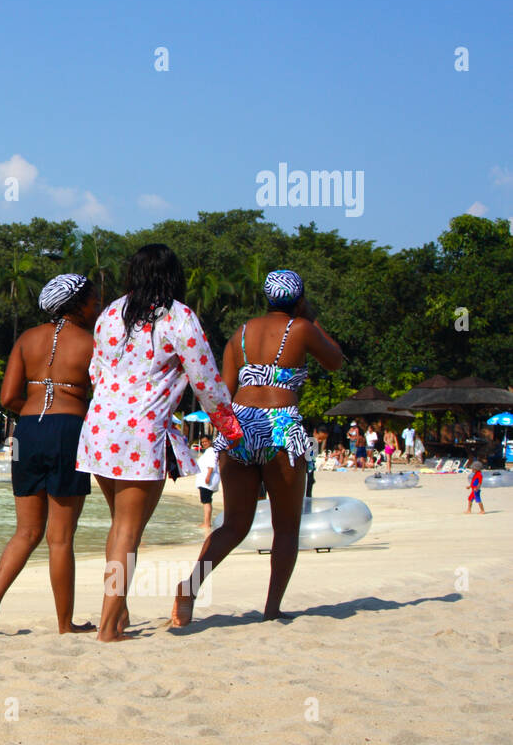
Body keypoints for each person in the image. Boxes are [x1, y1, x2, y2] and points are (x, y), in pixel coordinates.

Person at [76, 245, 242, 643]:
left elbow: (96, 371)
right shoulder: (179, 318)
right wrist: (230, 428)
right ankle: (107, 627)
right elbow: (206, 381)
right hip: (141, 432)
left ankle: (117, 614)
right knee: (129, 532)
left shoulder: (110, 313)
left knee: (119, 527)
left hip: (99, 428)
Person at [173, 269, 344, 627]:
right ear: (298, 298)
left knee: (234, 524)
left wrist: (226, 438)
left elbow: (225, 388)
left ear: (266, 299)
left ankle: (189, 589)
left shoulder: (241, 334)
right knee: (286, 527)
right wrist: (310, 317)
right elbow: (335, 360)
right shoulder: (301, 328)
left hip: (240, 425)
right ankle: (272, 609)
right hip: (280, 426)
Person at [0, 273, 103, 636]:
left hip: (28, 430)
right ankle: (65, 624)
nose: (97, 307)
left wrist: (34, 412)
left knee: (26, 531)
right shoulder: (92, 343)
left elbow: (7, 398)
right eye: (93, 301)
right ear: (77, 304)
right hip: (68, 429)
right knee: (60, 537)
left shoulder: (27, 339)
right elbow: (103, 396)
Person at [195, 436, 220, 536]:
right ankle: (206, 522)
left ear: (210, 441)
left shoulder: (211, 451)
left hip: (207, 479)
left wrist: (208, 477)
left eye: (205, 441)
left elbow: (211, 465)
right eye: (202, 442)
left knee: (206, 501)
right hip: (205, 479)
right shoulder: (209, 451)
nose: (204, 443)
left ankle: (207, 523)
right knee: (206, 500)